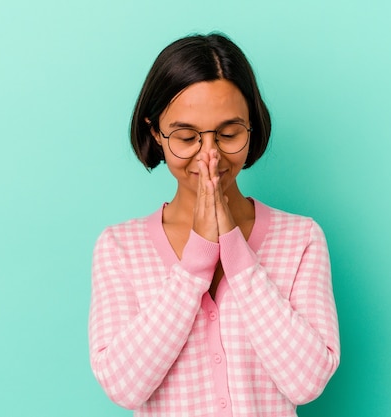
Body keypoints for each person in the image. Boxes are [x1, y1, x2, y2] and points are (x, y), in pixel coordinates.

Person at [88, 33, 340, 416]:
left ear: (252, 127)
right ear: (156, 133)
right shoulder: (119, 247)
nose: (210, 156)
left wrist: (237, 253)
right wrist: (195, 263)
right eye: (186, 137)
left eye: (228, 134)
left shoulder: (301, 238)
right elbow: (123, 387)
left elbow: (307, 383)